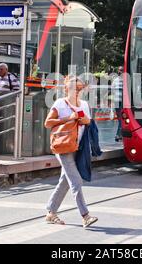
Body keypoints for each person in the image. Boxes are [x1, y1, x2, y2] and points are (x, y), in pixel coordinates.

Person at [44, 76, 98, 228]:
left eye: (81, 88)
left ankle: (51, 212)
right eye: (76, 88)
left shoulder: (85, 105)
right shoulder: (60, 103)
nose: (78, 91)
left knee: (65, 181)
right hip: (64, 147)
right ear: (67, 89)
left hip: (78, 147)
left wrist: (84, 120)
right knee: (76, 181)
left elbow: (89, 122)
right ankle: (85, 215)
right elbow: (48, 123)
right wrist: (69, 118)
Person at [111, 66, 124, 142]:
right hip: (122, 102)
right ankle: (118, 135)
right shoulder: (126, 80)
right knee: (121, 119)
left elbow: (112, 89)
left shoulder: (115, 80)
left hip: (116, 101)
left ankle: (119, 135)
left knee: (120, 119)